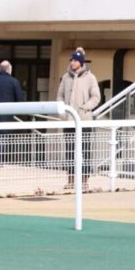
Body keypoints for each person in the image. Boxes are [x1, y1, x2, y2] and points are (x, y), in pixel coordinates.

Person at [56, 48, 100, 189]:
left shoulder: (90, 77)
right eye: (72, 60)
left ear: (80, 63)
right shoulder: (65, 77)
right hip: (69, 121)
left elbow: (96, 97)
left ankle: (85, 181)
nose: (72, 62)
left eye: (75, 60)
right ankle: (70, 180)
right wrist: (63, 112)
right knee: (70, 151)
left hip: (84, 121)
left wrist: (85, 107)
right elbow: (60, 96)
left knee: (85, 151)